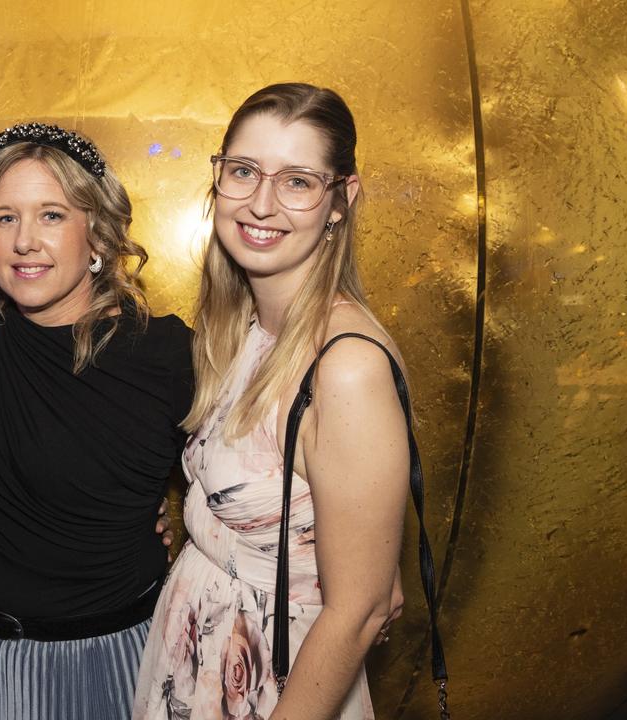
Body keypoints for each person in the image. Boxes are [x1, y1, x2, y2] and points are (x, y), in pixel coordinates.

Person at [133, 83, 409, 720]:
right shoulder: (242, 331)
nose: (261, 203)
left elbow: (365, 608)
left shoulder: (345, 367)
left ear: (341, 199)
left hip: (280, 685)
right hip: (198, 656)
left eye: (298, 181)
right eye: (244, 170)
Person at [0, 123, 195, 719]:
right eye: (5, 218)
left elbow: (256, 477)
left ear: (98, 234)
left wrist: (195, 541)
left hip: (106, 659)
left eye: (51, 215)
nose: (25, 240)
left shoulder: (163, 354)